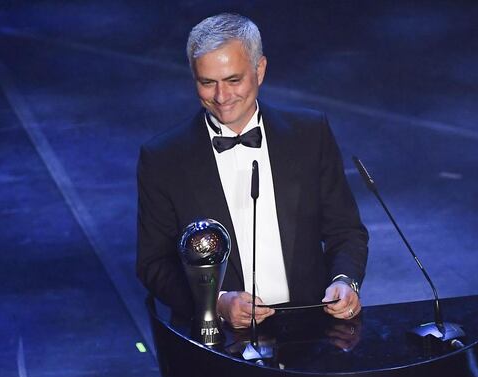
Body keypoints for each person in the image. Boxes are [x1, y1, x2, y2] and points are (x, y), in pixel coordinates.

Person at [137, 13, 368, 329]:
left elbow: (346, 231)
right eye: (207, 82)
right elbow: (154, 263)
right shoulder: (163, 158)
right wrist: (216, 302)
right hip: (220, 341)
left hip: (311, 329)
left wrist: (345, 281)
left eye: (233, 80)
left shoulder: (309, 133)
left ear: (259, 70)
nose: (221, 97)